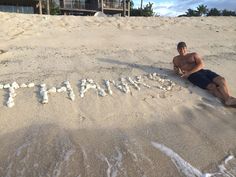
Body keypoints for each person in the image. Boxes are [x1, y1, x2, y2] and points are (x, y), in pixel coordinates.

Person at [173, 41, 236, 106]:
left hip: (202, 71)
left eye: (183, 48)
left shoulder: (193, 55)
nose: (182, 50)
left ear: (186, 48)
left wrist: (189, 72)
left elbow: (201, 64)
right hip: (192, 76)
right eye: (180, 49)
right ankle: (227, 100)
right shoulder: (176, 59)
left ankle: (228, 99)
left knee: (221, 80)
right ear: (177, 50)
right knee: (212, 86)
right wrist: (177, 71)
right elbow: (176, 70)